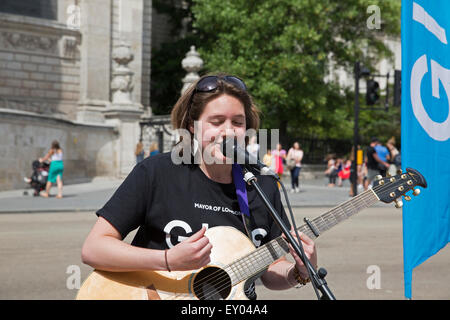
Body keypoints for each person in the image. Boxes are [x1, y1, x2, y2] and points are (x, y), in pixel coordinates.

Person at [81, 74, 317, 300]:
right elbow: (94, 248)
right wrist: (167, 259)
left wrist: (298, 272)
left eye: (237, 122)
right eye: (216, 122)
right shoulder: (156, 172)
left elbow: (269, 269)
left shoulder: (262, 184)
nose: (228, 131)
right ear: (193, 126)